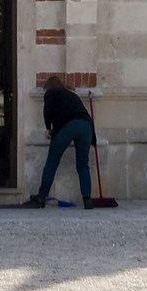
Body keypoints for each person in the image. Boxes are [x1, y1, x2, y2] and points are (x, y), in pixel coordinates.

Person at [28, 79, 96, 207]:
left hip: (67, 126)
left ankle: (41, 197)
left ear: (48, 87)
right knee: (83, 165)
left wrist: (48, 128)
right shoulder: (72, 95)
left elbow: (47, 110)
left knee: (52, 163)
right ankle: (87, 200)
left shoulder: (51, 93)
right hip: (86, 125)